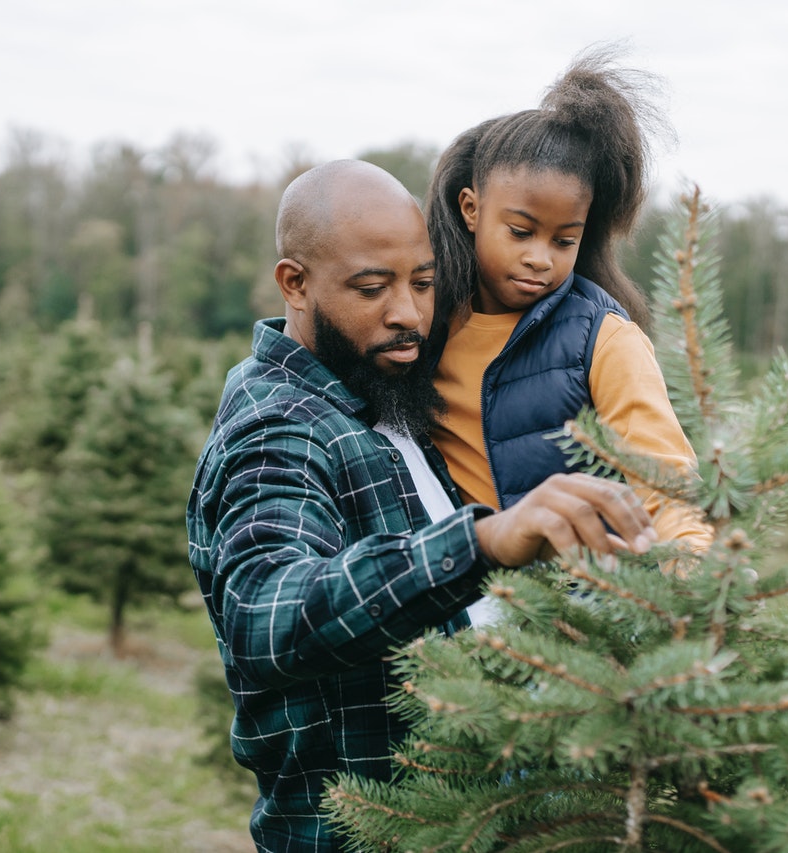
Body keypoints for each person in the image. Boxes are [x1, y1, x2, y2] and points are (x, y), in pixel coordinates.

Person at [186, 159, 659, 853]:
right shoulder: (280, 429)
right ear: (294, 283)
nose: (408, 314)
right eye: (373, 287)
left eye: (424, 282)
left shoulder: (380, 390)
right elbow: (266, 613)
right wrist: (483, 542)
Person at [426, 47, 711, 615]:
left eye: (563, 240)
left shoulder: (601, 338)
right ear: (471, 208)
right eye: (521, 231)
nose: (539, 258)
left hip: (577, 622)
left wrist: (696, 577)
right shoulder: (424, 324)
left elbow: (666, 480)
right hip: (452, 612)